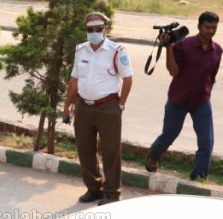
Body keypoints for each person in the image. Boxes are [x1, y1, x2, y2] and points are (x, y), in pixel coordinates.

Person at [61, 11, 133, 205]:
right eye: (90, 29)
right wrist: (67, 106)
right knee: (85, 149)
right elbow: (74, 80)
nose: (94, 32)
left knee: (110, 151)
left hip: (108, 107)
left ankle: (112, 193)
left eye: (98, 29)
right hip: (83, 106)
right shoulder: (80, 50)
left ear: (105, 30)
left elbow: (128, 79)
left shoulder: (117, 51)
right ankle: (94, 188)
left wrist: (121, 105)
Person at [146, 11, 220, 181]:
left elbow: (212, 77)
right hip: (178, 99)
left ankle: (199, 177)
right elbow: (173, 72)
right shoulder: (183, 45)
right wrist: (169, 47)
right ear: (199, 27)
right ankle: (153, 156)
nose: (210, 31)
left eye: (214, 27)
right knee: (168, 136)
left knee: (206, 142)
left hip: (201, 101)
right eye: (207, 27)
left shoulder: (217, 50)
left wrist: (206, 92)